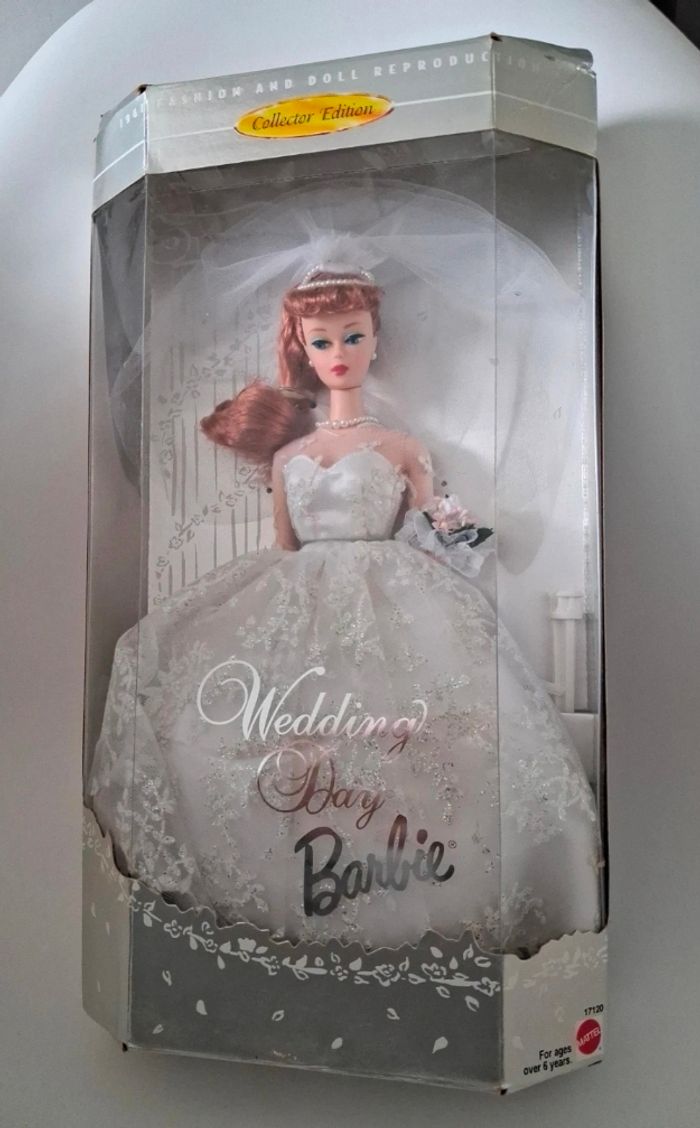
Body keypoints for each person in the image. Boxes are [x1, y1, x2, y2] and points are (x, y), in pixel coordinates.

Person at [86, 265, 603, 956]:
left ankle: (408, 890)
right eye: (322, 340)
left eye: (353, 336)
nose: (339, 354)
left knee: (415, 740)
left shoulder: (401, 448)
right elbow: (284, 545)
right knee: (263, 728)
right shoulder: (289, 455)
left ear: (376, 342)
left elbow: (435, 525)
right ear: (303, 347)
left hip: (392, 586)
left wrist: (459, 537)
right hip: (297, 592)